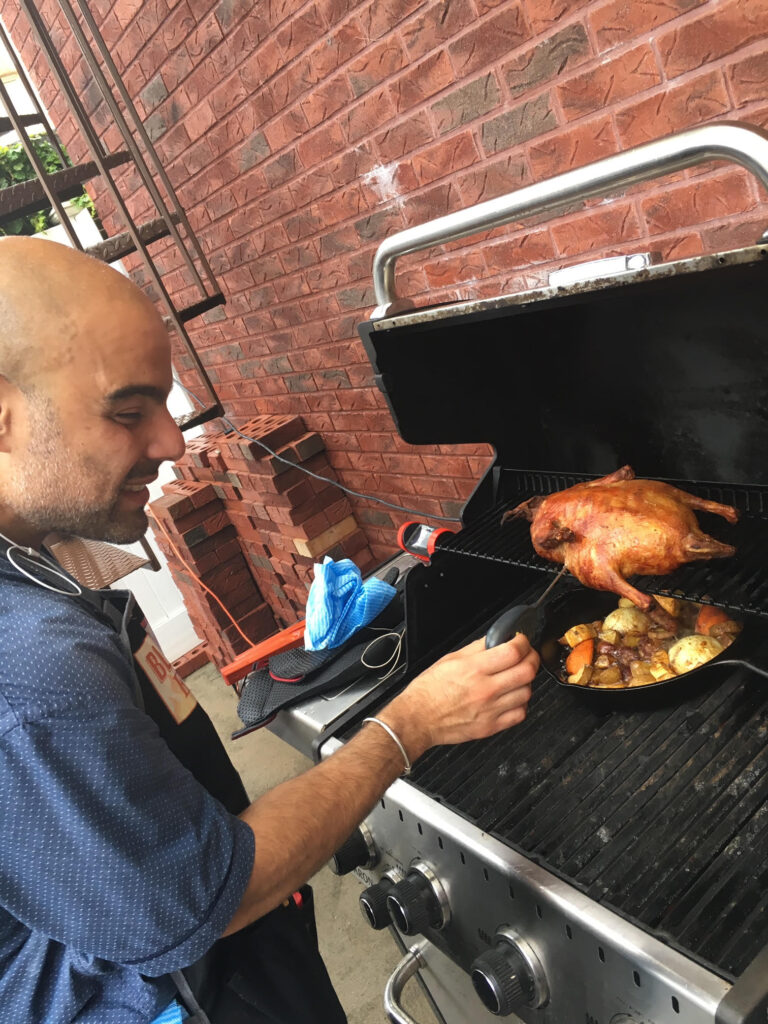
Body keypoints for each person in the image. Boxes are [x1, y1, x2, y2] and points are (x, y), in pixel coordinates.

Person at [0, 236, 538, 1024]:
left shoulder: (29, 561)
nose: (171, 445)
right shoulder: (30, 673)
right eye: (127, 411)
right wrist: (410, 725)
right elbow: (209, 898)